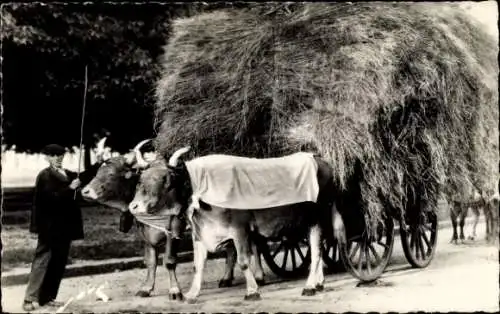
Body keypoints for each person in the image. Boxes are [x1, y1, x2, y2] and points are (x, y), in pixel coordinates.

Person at [22, 144, 101, 311]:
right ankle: (29, 300)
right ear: (47, 157)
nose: (58, 158)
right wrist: (70, 188)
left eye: (60, 155)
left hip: (65, 227)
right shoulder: (45, 176)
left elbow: (84, 177)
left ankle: (48, 298)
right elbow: (51, 199)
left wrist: (98, 164)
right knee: (42, 261)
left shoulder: (67, 174)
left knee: (58, 262)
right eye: (53, 155)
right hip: (49, 227)